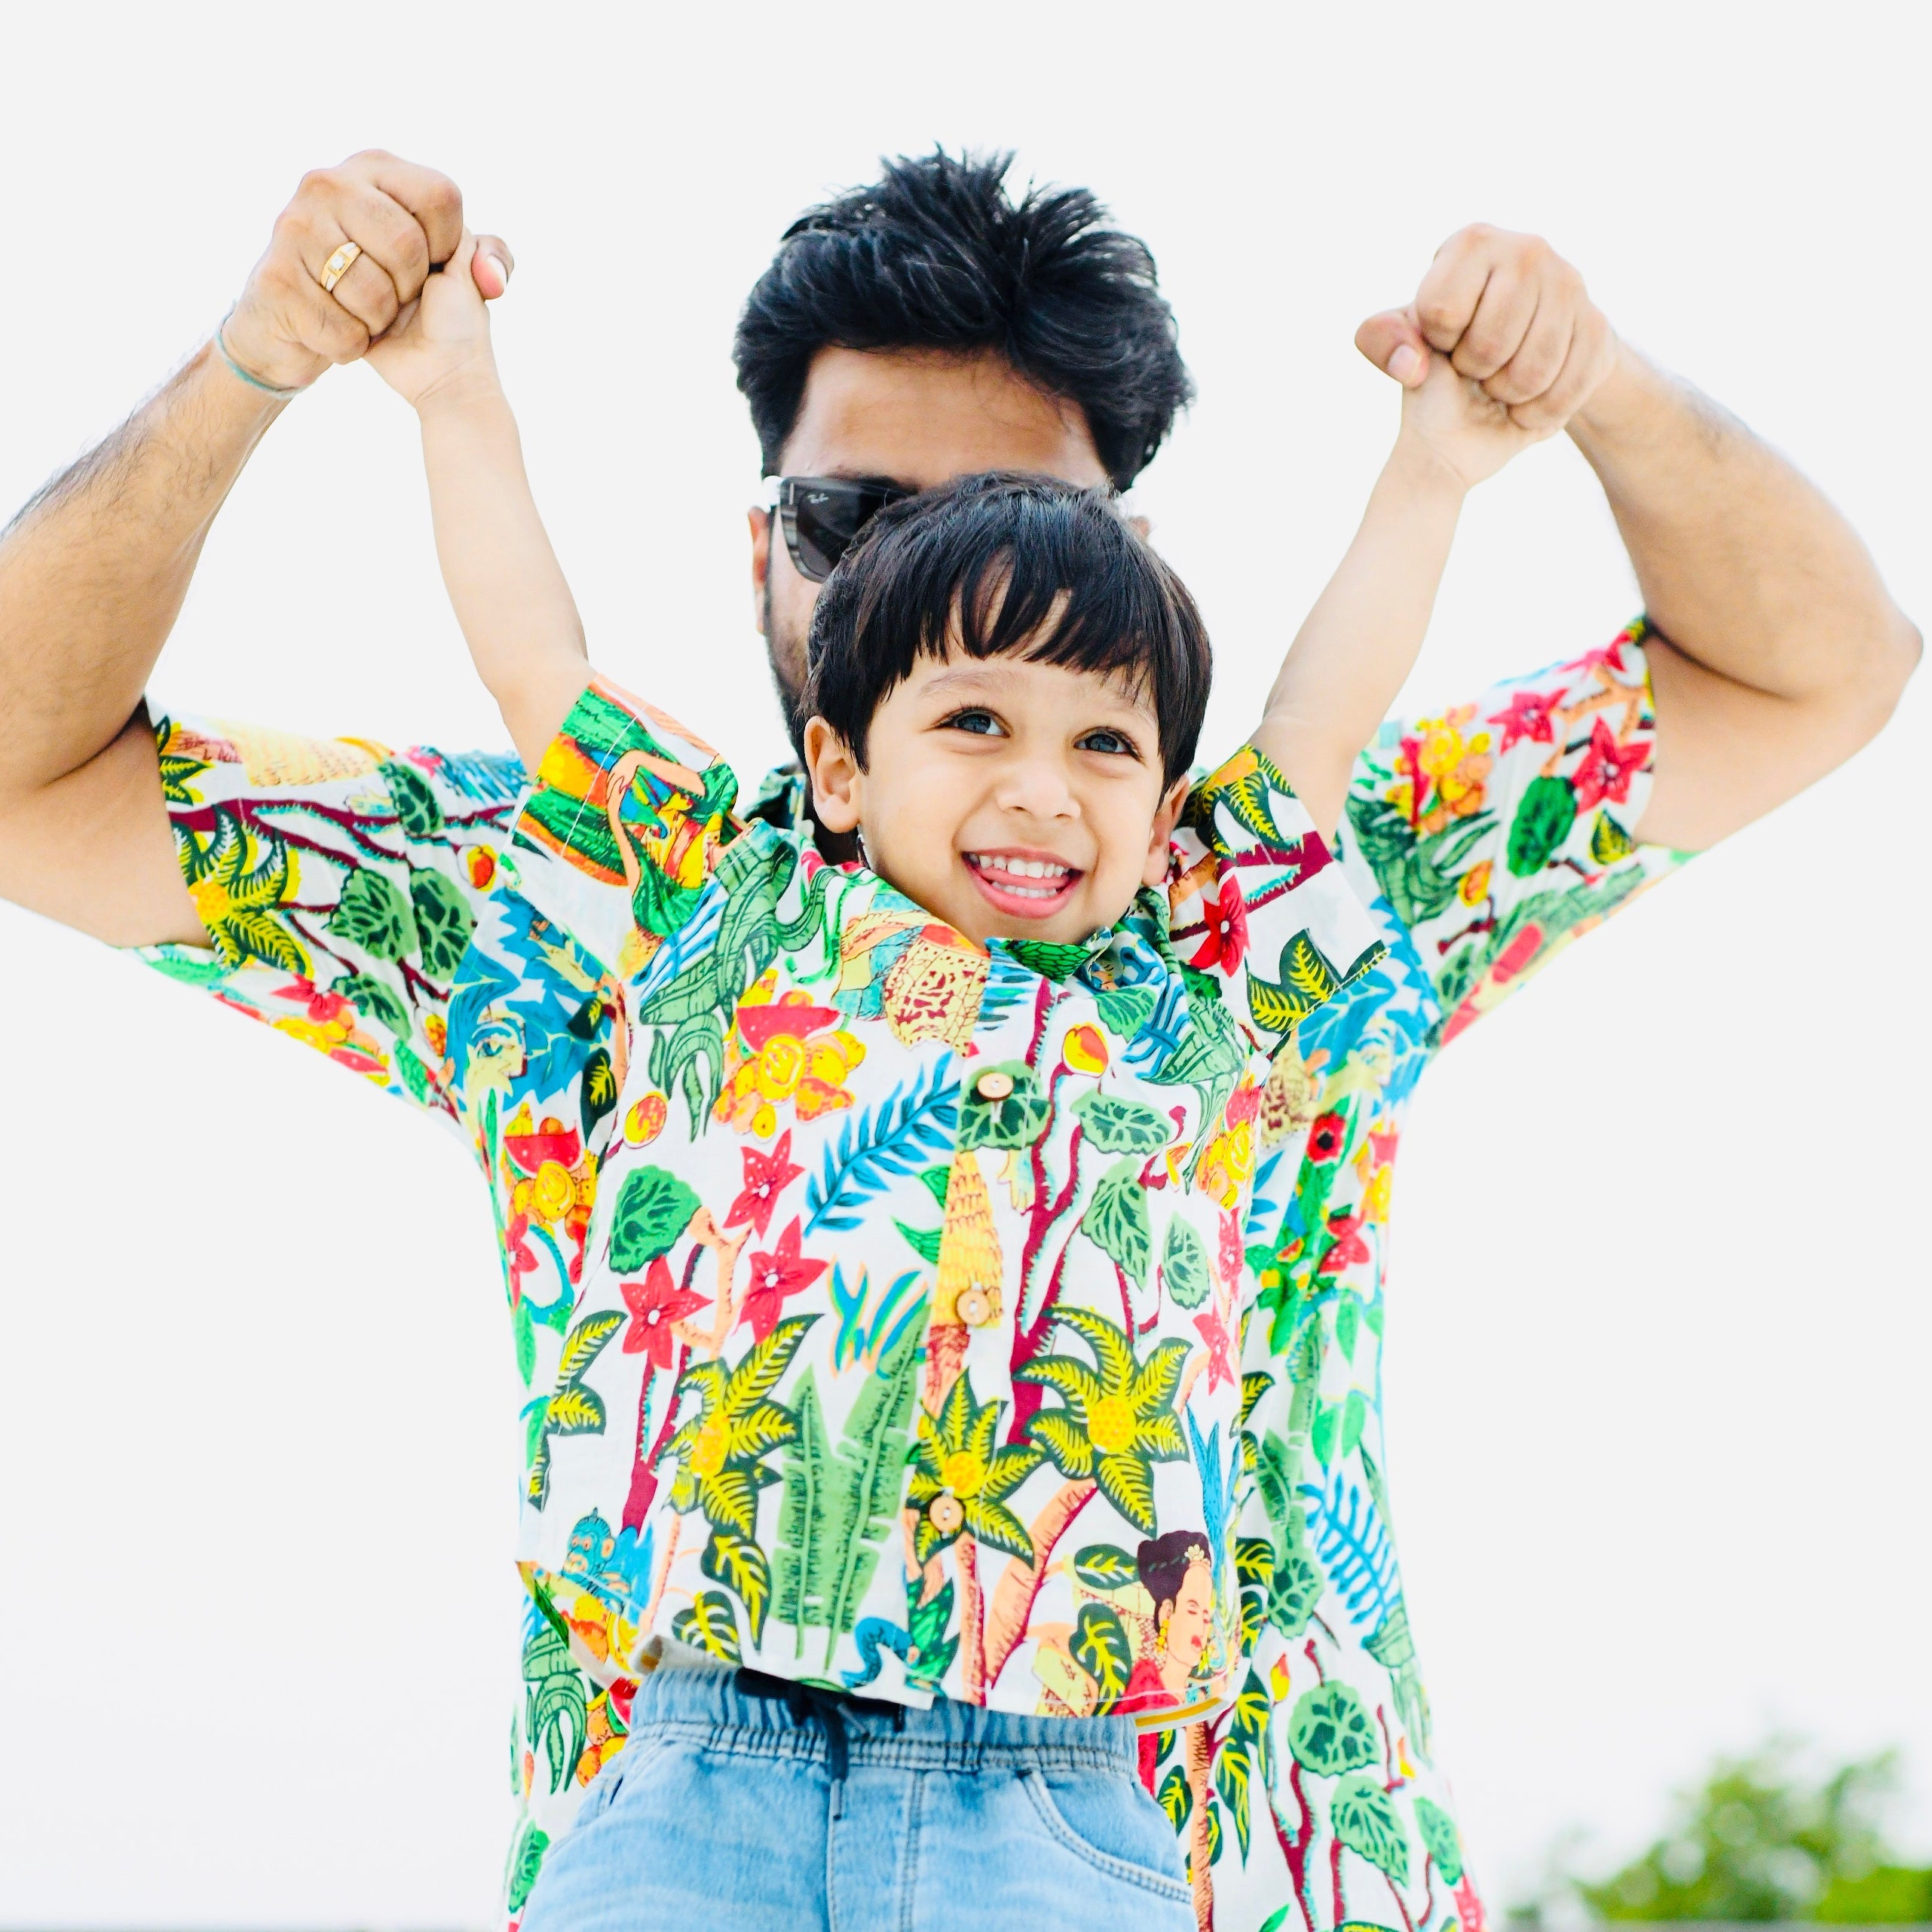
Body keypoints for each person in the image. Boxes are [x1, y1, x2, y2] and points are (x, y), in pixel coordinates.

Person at [0, 149, 1915, 1932]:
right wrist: (280, 361)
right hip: (703, 1822)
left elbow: (1817, 664)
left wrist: (1577, 393)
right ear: (764, 548)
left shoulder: (1273, 900)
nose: (951, 604)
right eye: (860, 523)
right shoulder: (600, 902)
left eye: (1041, 565)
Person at [343, 198, 1551, 1927]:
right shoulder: (725, 902)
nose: (1040, 786)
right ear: (838, 766)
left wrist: (1434, 467)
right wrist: (453, 393)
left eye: (1104, 743)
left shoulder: (1195, 965)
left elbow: (1320, 710)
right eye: (973, 718)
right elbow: (535, 653)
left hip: (1055, 1791)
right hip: (704, 1760)